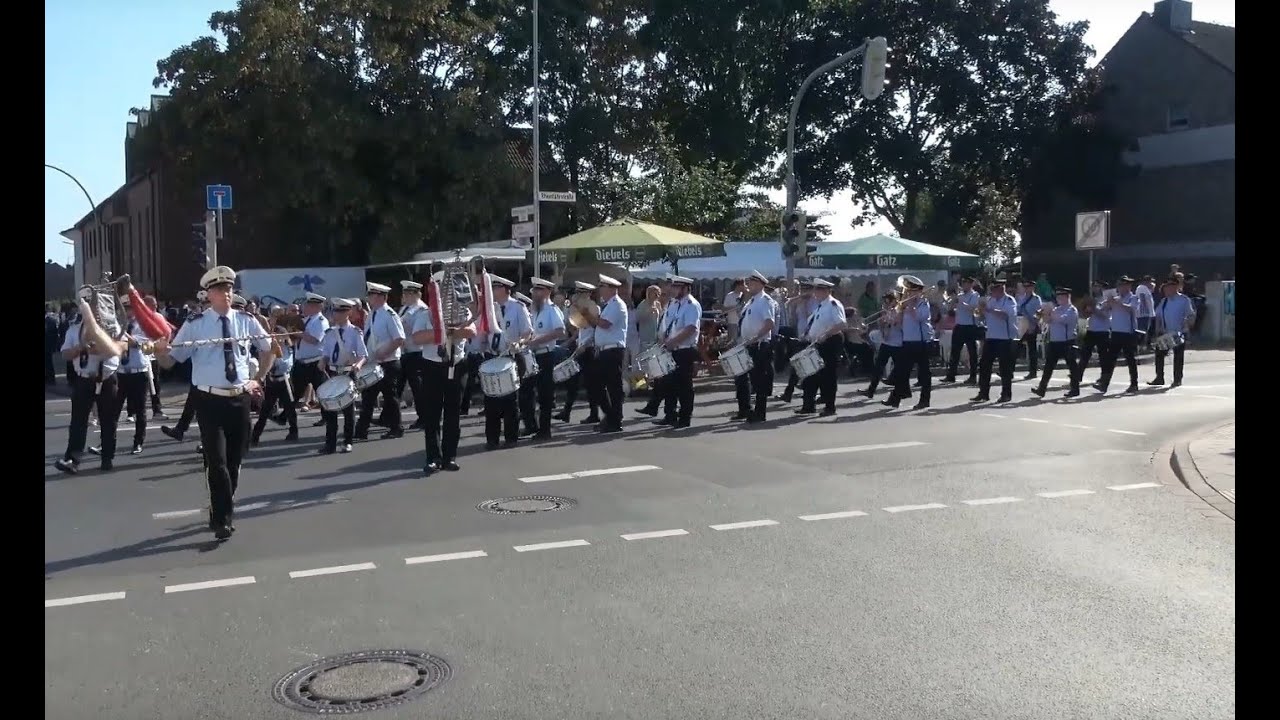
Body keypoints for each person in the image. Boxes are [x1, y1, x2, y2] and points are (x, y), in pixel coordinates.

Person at [151, 266, 273, 540]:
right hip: (209, 401)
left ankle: (220, 508)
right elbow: (172, 360)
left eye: (229, 288)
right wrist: (160, 351)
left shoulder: (246, 320)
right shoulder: (195, 325)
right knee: (216, 463)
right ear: (209, 294)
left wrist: (258, 379)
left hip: (240, 400)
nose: (226, 293)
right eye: (220, 289)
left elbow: (269, 350)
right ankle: (222, 520)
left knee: (233, 463)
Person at [53, 287, 124, 475]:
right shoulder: (74, 330)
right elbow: (65, 354)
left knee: (108, 420)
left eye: (93, 307)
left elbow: (122, 345)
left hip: (107, 379)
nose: (91, 311)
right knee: (78, 421)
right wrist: (80, 348)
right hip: (84, 380)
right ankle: (72, 459)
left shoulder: (112, 326)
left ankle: (107, 458)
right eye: (86, 307)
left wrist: (103, 345)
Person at [410, 273, 477, 472]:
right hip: (432, 366)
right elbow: (417, 338)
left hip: (456, 365)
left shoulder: (462, 312)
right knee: (432, 415)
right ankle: (433, 457)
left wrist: (449, 331)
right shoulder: (425, 314)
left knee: (453, 415)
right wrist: (441, 331)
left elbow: (471, 331)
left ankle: (450, 456)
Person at [483, 275, 531, 449]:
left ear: (504, 289)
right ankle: (492, 439)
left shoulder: (518, 307)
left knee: (511, 401)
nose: (493, 291)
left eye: (495, 288)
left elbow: (528, 332)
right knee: (491, 400)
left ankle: (511, 437)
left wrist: (519, 343)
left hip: (511, 356)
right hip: (492, 356)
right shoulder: (490, 309)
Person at [355, 282, 407, 440]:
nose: (369, 298)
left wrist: (384, 352)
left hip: (388, 362)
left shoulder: (389, 314)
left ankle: (396, 428)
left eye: (371, 295)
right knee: (368, 397)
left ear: (379, 297)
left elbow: (399, 339)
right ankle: (361, 431)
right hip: (374, 363)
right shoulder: (372, 314)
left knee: (390, 398)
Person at [317, 298, 368, 454]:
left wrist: (357, 365)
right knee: (330, 409)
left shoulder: (355, 332)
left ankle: (347, 441)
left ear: (348, 313)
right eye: (335, 311)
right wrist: (322, 361)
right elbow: (326, 352)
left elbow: (363, 354)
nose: (335, 314)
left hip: (347, 372)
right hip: (332, 372)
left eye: (339, 311)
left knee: (348, 409)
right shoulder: (330, 333)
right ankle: (330, 444)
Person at [523, 278, 567, 438]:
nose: (535, 293)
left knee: (544, 394)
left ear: (547, 292)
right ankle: (531, 425)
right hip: (532, 355)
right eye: (534, 290)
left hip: (546, 354)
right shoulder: (534, 310)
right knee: (526, 392)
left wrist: (538, 340)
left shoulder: (551, 310)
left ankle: (545, 429)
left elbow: (560, 331)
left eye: (538, 290)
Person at [656, 275, 702, 428]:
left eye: (677, 287)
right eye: (673, 286)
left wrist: (672, 342)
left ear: (685, 288)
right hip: (671, 349)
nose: (673, 289)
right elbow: (667, 324)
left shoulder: (691, 305)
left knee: (684, 386)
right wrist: (663, 339)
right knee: (669, 384)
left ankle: (684, 417)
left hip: (684, 350)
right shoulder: (674, 304)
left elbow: (691, 328)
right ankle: (670, 415)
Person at [251, 307, 300, 445]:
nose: (277, 338)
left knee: (290, 408)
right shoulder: (269, 346)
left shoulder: (287, 348)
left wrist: (281, 344)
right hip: (273, 380)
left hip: (284, 379)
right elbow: (265, 359)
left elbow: (286, 362)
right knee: (265, 410)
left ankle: (293, 431)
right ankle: (255, 436)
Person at [117, 300, 160, 455]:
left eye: (130, 308)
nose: (127, 312)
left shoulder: (143, 326)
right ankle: (106, 441)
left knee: (140, 409)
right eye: (125, 309)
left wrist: (121, 332)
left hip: (138, 371)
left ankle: (138, 442)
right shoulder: (119, 324)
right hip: (121, 371)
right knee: (113, 410)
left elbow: (137, 344)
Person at [734, 270, 777, 422]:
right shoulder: (751, 301)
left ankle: (760, 413)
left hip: (759, 345)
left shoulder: (765, 300)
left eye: (751, 283)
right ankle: (745, 409)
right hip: (747, 344)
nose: (748, 286)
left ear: (760, 284)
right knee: (741, 379)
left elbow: (769, 323)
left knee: (759, 380)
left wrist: (755, 338)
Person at [589, 274, 629, 433]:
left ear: (611, 289)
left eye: (603, 287)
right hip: (604, 350)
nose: (600, 290)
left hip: (613, 350)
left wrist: (589, 316)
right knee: (597, 386)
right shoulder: (608, 305)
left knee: (613, 387)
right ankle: (611, 415)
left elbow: (605, 324)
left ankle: (615, 420)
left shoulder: (617, 305)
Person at [885, 276, 930, 410]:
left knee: (924, 374)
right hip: (907, 341)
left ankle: (924, 400)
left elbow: (920, 318)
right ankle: (895, 399)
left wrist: (910, 306)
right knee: (901, 371)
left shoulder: (923, 303)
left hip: (921, 342)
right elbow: (897, 323)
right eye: (908, 291)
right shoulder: (904, 305)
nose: (908, 294)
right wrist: (899, 310)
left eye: (912, 292)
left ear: (919, 292)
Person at [972, 278, 1018, 404]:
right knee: (984, 365)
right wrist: (981, 312)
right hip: (991, 337)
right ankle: (983, 393)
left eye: (994, 290)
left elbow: (1005, 315)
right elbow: (983, 316)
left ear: (1000, 289)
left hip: (1005, 338)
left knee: (1005, 369)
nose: (992, 292)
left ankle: (1006, 394)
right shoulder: (991, 300)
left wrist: (988, 310)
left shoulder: (1009, 301)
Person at [1032, 288, 1081, 398]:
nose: (1058, 299)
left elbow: (1062, 320)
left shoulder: (1071, 310)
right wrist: (1042, 315)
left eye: (1060, 297)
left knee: (1072, 366)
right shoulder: (1057, 309)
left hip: (1067, 341)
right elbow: (1048, 321)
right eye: (1057, 297)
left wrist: (1050, 311)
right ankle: (1041, 388)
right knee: (1048, 367)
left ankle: (1075, 389)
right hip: (1055, 342)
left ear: (1067, 297)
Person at [1097, 275, 1140, 394]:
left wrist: (1118, 303)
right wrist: (1107, 303)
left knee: (1130, 359)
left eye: (1125, 285)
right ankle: (1104, 384)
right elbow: (1103, 308)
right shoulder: (1115, 298)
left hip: (1128, 332)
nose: (1122, 287)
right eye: (1120, 285)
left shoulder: (1133, 297)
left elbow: (1132, 309)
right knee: (1110, 359)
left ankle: (1134, 383)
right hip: (1116, 332)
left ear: (1129, 286)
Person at [1150, 279, 1196, 387]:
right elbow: (1158, 316)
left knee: (1178, 357)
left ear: (1175, 287)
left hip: (1178, 332)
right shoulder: (1164, 301)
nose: (1167, 289)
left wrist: (1187, 325)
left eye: (1170, 287)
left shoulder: (1184, 300)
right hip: (1166, 333)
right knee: (1159, 355)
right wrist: (1157, 330)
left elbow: (1191, 315)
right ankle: (1159, 377)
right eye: (1166, 287)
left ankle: (1177, 379)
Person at [396, 281, 428, 429]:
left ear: (416, 294)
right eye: (405, 294)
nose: (406, 296)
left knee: (418, 388)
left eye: (409, 294)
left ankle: (424, 417)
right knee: (397, 386)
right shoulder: (405, 308)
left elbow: (416, 331)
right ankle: (389, 417)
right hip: (405, 352)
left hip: (417, 352)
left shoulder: (421, 310)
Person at [943, 276, 981, 384]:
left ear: (971, 284)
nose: (964, 285)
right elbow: (949, 309)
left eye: (966, 283)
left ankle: (973, 376)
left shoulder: (975, 295)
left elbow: (974, 309)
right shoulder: (959, 296)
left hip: (970, 326)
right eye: (963, 283)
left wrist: (961, 302)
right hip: (959, 326)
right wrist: (952, 301)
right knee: (954, 352)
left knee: (972, 352)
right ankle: (951, 375)